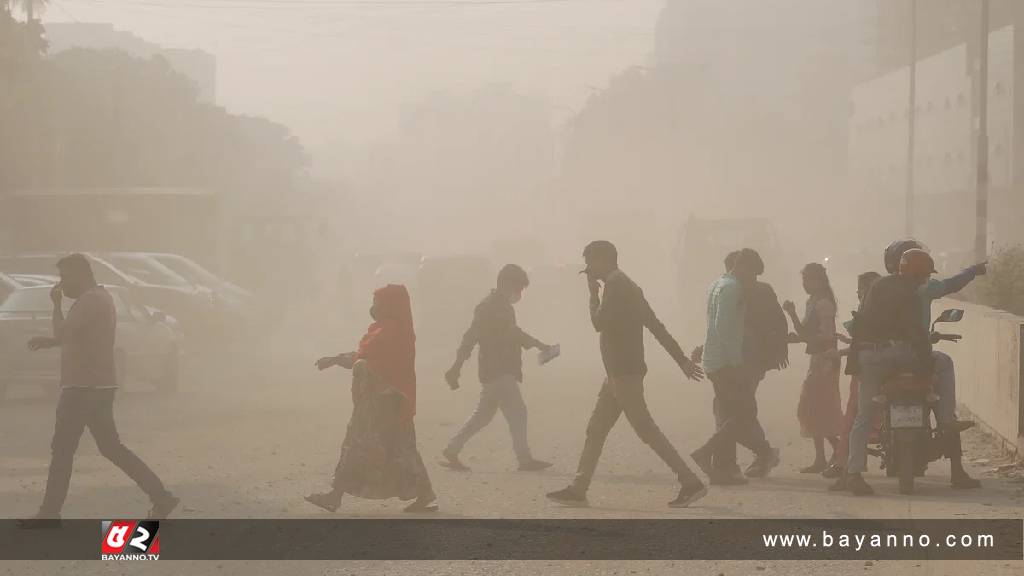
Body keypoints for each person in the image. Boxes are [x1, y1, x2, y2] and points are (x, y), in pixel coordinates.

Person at [19, 254, 179, 527]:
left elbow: (63, 334)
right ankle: (160, 495)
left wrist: (56, 307)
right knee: (110, 447)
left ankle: (49, 514)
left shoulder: (90, 300)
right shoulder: (100, 298)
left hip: (82, 388)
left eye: (66, 277)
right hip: (98, 385)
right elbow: (74, 337)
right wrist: (51, 341)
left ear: (82, 275)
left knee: (63, 450)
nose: (62, 284)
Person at [546, 241, 707, 508]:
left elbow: (599, 323)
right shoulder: (629, 286)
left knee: (646, 430)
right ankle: (579, 487)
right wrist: (680, 361)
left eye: (590, 262)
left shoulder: (616, 288)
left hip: (623, 373)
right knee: (596, 429)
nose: (588, 269)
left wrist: (591, 295)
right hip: (618, 373)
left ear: (604, 259)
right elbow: (656, 325)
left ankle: (690, 482)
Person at [305, 284, 437, 513]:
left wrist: (347, 362)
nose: (373, 307)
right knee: (400, 448)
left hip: (383, 401)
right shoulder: (385, 328)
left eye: (377, 302)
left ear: (389, 305)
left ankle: (335, 496)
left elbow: (374, 361)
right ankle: (424, 493)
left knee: (359, 445)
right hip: (384, 400)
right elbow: (364, 357)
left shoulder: (392, 331)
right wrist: (338, 359)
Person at [879, 239, 984, 489]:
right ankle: (955, 463)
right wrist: (974, 270)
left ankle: (849, 468)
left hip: (887, 357)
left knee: (863, 410)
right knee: (945, 365)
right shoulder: (926, 288)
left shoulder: (883, 287)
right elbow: (953, 284)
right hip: (918, 356)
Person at [441, 264, 556, 472]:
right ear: (505, 283)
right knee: (518, 412)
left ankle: (452, 449)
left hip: (495, 370)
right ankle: (524, 459)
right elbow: (479, 336)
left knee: (482, 416)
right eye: (518, 288)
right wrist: (541, 345)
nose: (519, 294)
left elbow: (479, 336)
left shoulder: (497, 305)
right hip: (498, 369)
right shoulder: (492, 307)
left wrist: (456, 366)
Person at [841, 249, 936, 495]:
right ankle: (945, 422)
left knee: (863, 415)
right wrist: (927, 365)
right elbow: (916, 333)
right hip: (897, 355)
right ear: (919, 274)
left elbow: (861, 320)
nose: (926, 279)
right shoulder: (911, 294)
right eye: (925, 275)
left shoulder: (878, 285)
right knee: (941, 367)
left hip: (869, 357)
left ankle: (853, 473)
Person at [691, 249, 781, 485]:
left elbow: (770, 324)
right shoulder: (734, 288)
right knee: (739, 413)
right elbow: (723, 326)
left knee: (731, 412)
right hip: (736, 361)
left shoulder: (725, 286)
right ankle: (739, 458)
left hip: (743, 359)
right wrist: (735, 362)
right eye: (750, 274)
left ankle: (727, 465)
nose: (751, 280)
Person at [783, 263, 843, 474]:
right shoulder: (812, 302)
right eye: (804, 279)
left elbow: (826, 336)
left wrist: (801, 338)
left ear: (819, 281)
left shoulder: (824, 304)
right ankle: (822, 457)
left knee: (819, 408)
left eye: (808, 279)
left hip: (825, 360)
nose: (805, 284)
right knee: (813, 410)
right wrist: (792, 315)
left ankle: (839, 450)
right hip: (817, 358)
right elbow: (805, 332)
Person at [824, 271, 881, 484]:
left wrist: (840, 352)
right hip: (872, 368)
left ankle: (845, 466)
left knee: (855, 419)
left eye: (862, 289)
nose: (859, 294)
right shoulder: (881, 310)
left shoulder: (869, 311)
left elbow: (864, 345)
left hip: (865, 371)